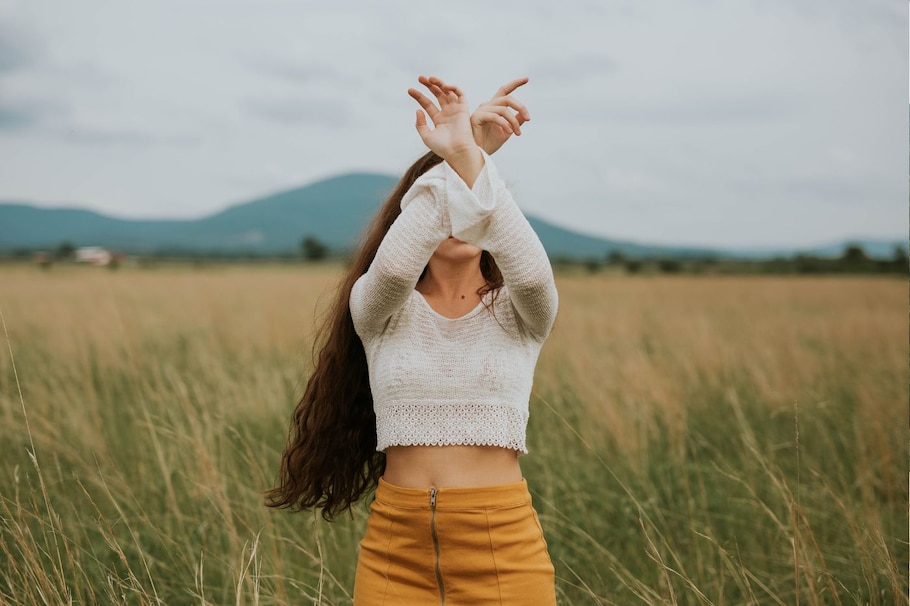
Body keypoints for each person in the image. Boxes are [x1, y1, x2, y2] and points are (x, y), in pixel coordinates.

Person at [266, 75, 559, 606]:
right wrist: (462, 161)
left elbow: (536, 275)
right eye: (445, 204)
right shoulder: (378, 308)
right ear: (417, 213)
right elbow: (399, 263)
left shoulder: (521, 311)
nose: (459, 216)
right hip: (395, 548)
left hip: (501, 544)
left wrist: (470, 156)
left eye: (472, 203)